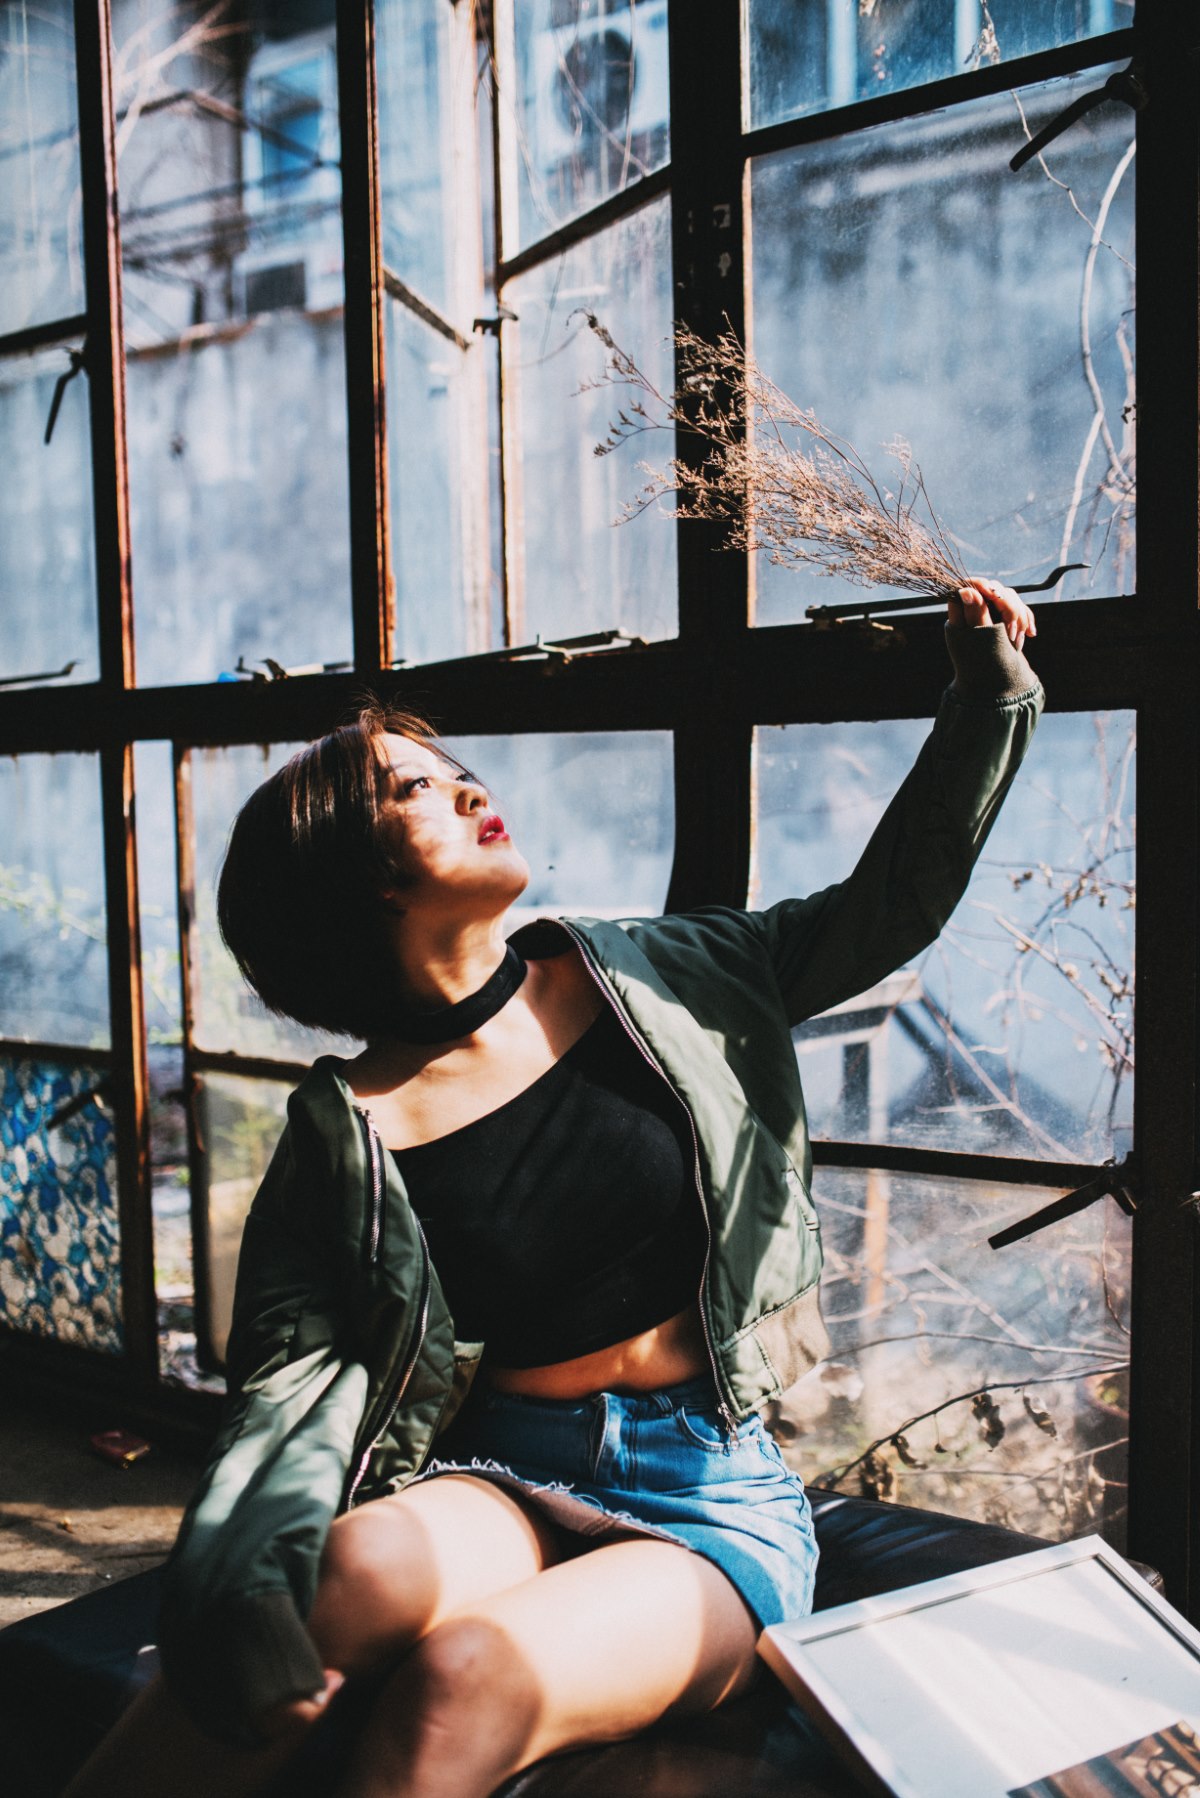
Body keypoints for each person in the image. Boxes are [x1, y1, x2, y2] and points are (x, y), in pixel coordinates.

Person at [66, 580, 1039, 1798]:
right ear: (362, 876)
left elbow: (887, 907)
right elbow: (289, 1384)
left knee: (460, 1681)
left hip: (704, 1492)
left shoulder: (670, 978)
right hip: (495, 1472)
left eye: (457, 770)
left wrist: (985, 702)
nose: (472, 789)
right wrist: (238, 1577)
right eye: (417, 789)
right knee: (331, 1585)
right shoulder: (345, 1131)